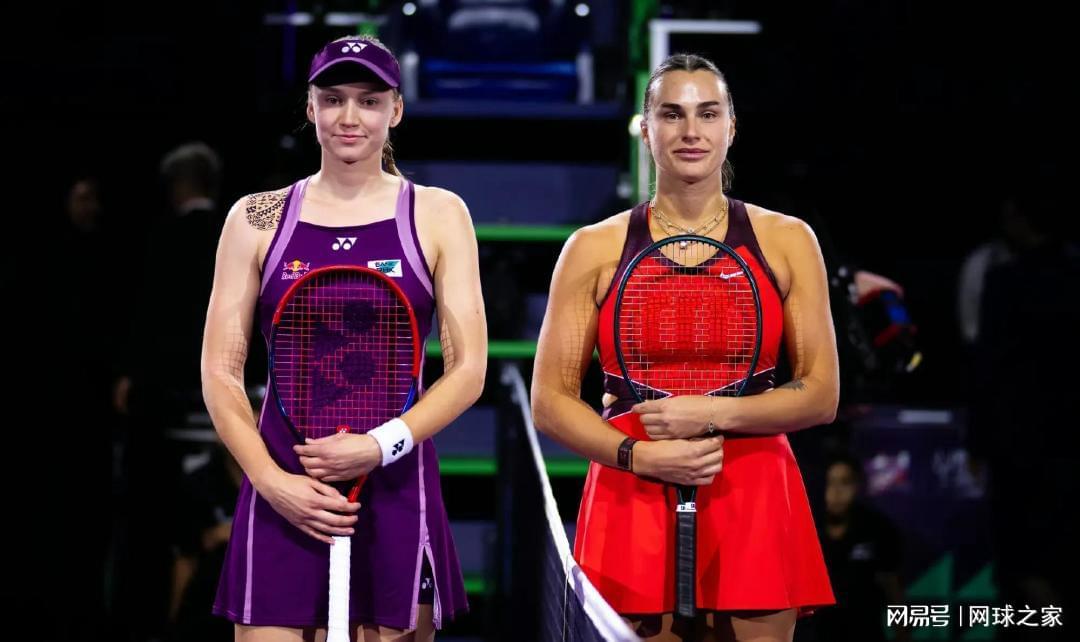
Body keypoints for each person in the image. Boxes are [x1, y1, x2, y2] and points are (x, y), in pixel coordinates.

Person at [532, 53, 838, 641]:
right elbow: (550, 400)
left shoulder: (789, 240)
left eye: (708, 113)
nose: (690, 131)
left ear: (731, 128)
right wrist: (637, 457)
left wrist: (709, 413)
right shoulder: (591, 247)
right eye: (672, 114)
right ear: (646, 130)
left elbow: (821, 394)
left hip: (753, 492)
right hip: (632, 490)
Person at [201, 35, 486, 641]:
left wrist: (379, 446)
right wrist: (272, 482)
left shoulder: (439, 213)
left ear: (395, 110)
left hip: (395, 483)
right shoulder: (255, 216)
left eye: (369, 100)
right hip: (284, 487)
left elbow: (468, 370)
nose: (349, 117)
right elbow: (221, 370)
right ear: (310, 108)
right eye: (333, 99)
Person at [810, 453, 906, 642]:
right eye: (830, 483)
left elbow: (893, 588)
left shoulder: (878, 529)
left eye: (844, 482)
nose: (836, 492)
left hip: (866, 632)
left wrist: (902, 633)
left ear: (858, 486)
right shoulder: (808, 529)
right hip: (818, 633)